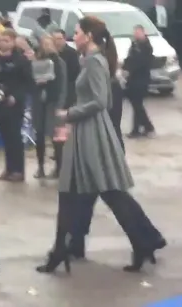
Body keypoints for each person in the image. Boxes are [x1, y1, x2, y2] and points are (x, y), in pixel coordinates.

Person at [36, 16, 166, 274]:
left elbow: (100, 101)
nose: (75, 37)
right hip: (86, 133)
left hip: (91, 134)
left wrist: (68, 113)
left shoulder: (95, 61)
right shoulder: (92, 60)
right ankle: (141, 242)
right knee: (84, 192)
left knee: (101, 192)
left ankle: (65, 250)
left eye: (77, 32)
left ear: (89, 36)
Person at [0, 29, 33, 182]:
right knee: (6, 136)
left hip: (15, 104)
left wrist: (16, 96)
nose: (3, 42)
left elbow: (27, 82)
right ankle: (8, 168)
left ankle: (18, 170)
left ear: (13, 41)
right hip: (1, 101)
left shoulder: (21, 60)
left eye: (6, 40)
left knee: (15, 136)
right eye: (1, 40)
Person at [32, 35, 66, 179]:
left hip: (53, 101)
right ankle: (40, 167)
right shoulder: (36, 60)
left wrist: (60, 104)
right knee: (39, 134)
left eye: (48, 43)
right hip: (39, 101)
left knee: (55, 135)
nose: (46, 46)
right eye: (43, 43)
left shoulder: (58, 62)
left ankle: (59, 167)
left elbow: (62, 84)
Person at [124, 25, 155, 138]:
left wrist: (131, 68)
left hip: (141, 79)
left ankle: (140, 129)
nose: (136, 34)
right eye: (135, 32)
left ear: (143, 32)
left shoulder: (147, 47)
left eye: (138, 32)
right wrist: (125, 67)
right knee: (136, 104)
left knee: (137, 104)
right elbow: (129, 58)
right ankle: (145, 127)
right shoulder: (134, 45)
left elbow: (143, 62)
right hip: (132, 79)